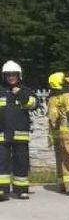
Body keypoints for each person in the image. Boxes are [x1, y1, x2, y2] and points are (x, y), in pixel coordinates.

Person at [0, 61, 38, 200]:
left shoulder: (26, 90)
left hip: (21, 134)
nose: (11, 77)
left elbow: (34, 105)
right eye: (8, 75)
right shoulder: (0, 91)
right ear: (4, 76)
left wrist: (20, 93)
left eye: (13, 75)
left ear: (19, 75)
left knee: (21, 162)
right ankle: (2, 191)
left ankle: (21, 190)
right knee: (1, 163)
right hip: (2, 134)